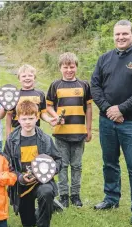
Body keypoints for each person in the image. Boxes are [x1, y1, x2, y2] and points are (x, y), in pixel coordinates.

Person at [91, 20, 132, 225]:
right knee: (109, 162)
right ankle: (111, 198)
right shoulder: (104, 59)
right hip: (106, 121)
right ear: (113, 36)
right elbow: (95, 86)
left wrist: (121, 109)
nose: (121, 38)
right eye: (117, 34)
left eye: (125, 34)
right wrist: (109, 110)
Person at [4, 100, 62, 227]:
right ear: (18, 118)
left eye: (31, 118)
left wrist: (48, 171)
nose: (28, 122)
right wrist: (20, 178)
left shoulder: (45, 139)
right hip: (23, 185)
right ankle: (48, 206)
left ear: (37, 117)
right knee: (28, 223)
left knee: (46, 192)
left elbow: (58, 160)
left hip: (42, 182)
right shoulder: (11, 140)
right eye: (24, 118)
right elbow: (7, 166)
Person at [46, 52, 93, 208]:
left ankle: (75, 195)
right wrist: (56, 115)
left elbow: (88, 107)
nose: (69, 70)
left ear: (76, 67)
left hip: (79, 132)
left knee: (77, 165)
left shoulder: (84, 85)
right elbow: (49, 106)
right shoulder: (55, 85)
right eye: (65, 67)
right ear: (60, 68)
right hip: (61, 133)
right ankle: (64, 195)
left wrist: (89, 129)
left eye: (72, 67)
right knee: (63, 165)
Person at [5, 64, 57, 138]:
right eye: (24, 76)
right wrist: (8, 136)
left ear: (34, 78)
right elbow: (9, 116)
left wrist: (49, 119)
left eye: (30, 75)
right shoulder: (14, 95)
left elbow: (42, 113)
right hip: (17, 135)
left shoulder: (40, 94)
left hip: (34, 134)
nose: (27, 78)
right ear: (19, 79)